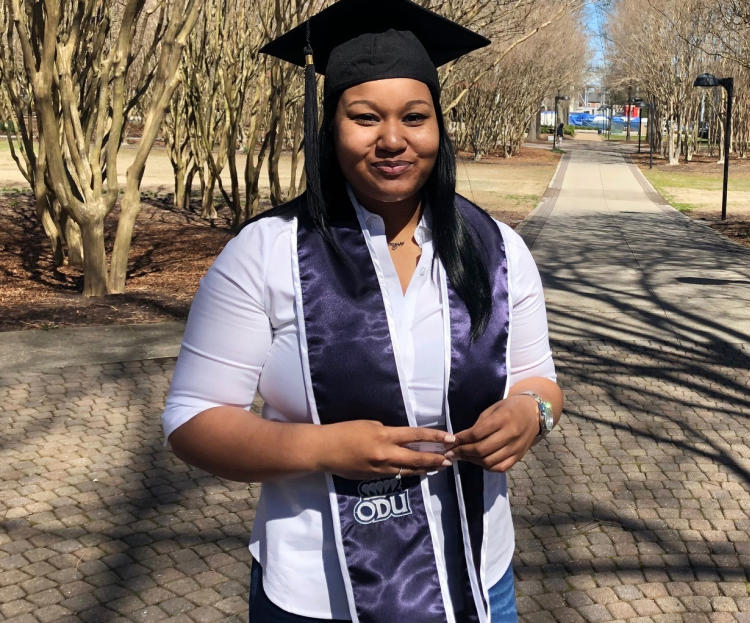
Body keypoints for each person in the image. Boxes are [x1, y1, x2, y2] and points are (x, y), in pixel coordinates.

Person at [161, 1, 563, 622]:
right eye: (365, 117)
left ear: (438, 128)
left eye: (415, 117)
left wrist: (530, 414)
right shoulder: (266, 253)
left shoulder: (497, 251)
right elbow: (192, 419)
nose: (393, 140)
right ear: (332, 126)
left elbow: (541, 382)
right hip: (317, 593)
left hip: (477, 581)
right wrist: (324, 449)